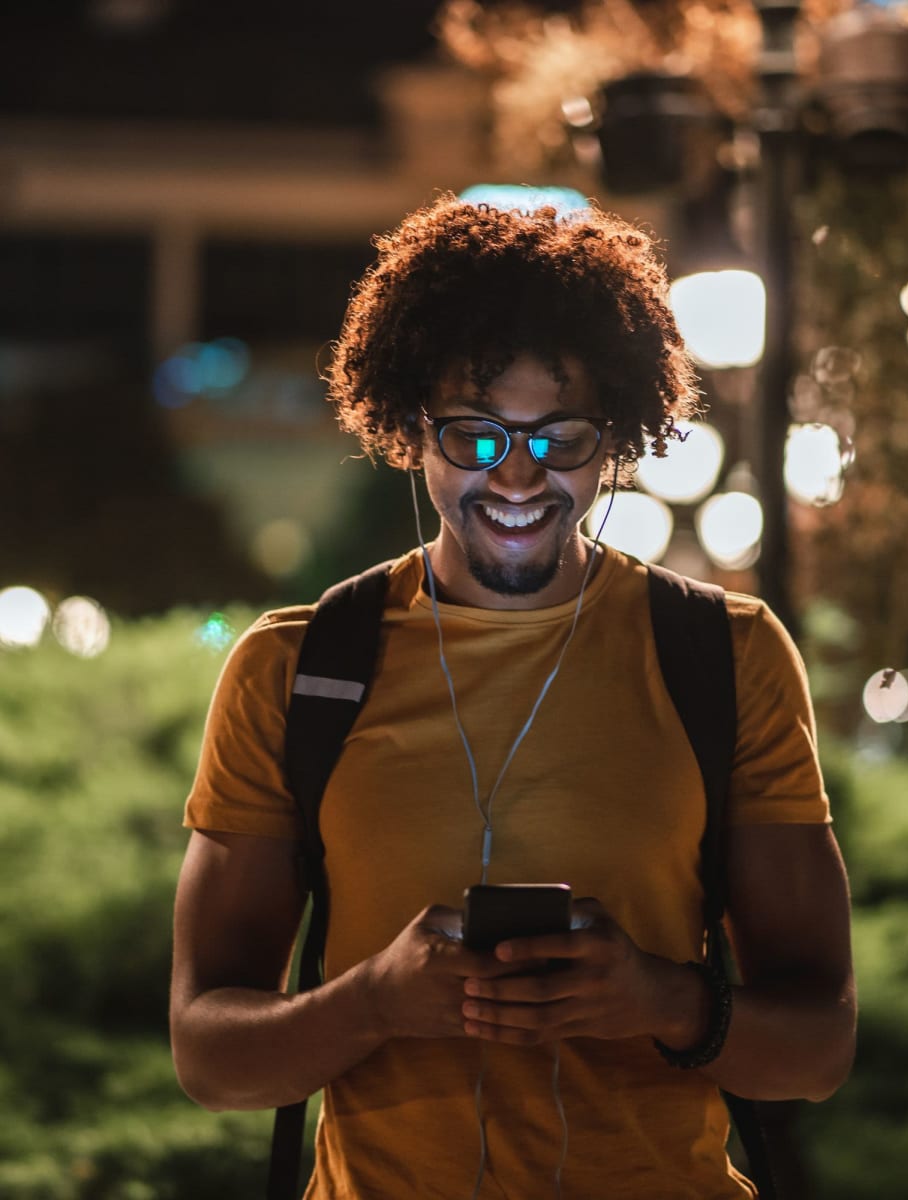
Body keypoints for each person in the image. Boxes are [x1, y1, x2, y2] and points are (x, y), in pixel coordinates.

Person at [170, 192, 856, 1200]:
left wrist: (659, 1002)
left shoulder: (724, 656)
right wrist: (373, 1003)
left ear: (615, 437)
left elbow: (817, 1048)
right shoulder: (299, 669)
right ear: (411, 429)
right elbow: (208, 1055)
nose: (520, 477)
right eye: (478, 437)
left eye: (560, 437)